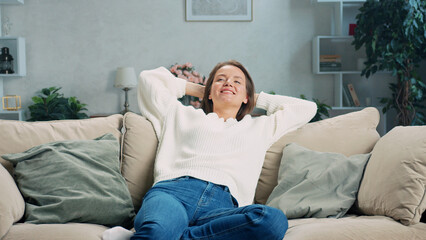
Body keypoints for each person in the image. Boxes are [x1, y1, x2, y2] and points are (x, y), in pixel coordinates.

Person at [103, 60, 317, 240]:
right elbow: (148, 79)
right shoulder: (180, 114)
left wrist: (255, 97)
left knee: (272, 221)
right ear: (209, 91)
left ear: (246, 97)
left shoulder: (260, 126)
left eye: (237, 82)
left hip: (224, 209)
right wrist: (198, 89)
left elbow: (307, 108)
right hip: (173, 194)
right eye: (220, 79)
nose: (228, 83)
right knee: (158, 230)